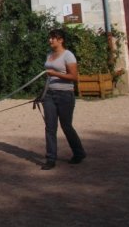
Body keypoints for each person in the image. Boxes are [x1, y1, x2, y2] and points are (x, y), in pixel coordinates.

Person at [40, 28, 86, 170]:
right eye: (50, 38)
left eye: (53, 38)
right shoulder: (49, 55)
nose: (50, 40)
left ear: (61, 40)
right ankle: (50, 158)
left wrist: (55, 73)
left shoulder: (68, 55)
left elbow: (74, 77)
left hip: (65, 94)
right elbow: (49, 75)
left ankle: (79, 153)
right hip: (49, 94)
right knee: (50, 127)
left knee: (66, 126)